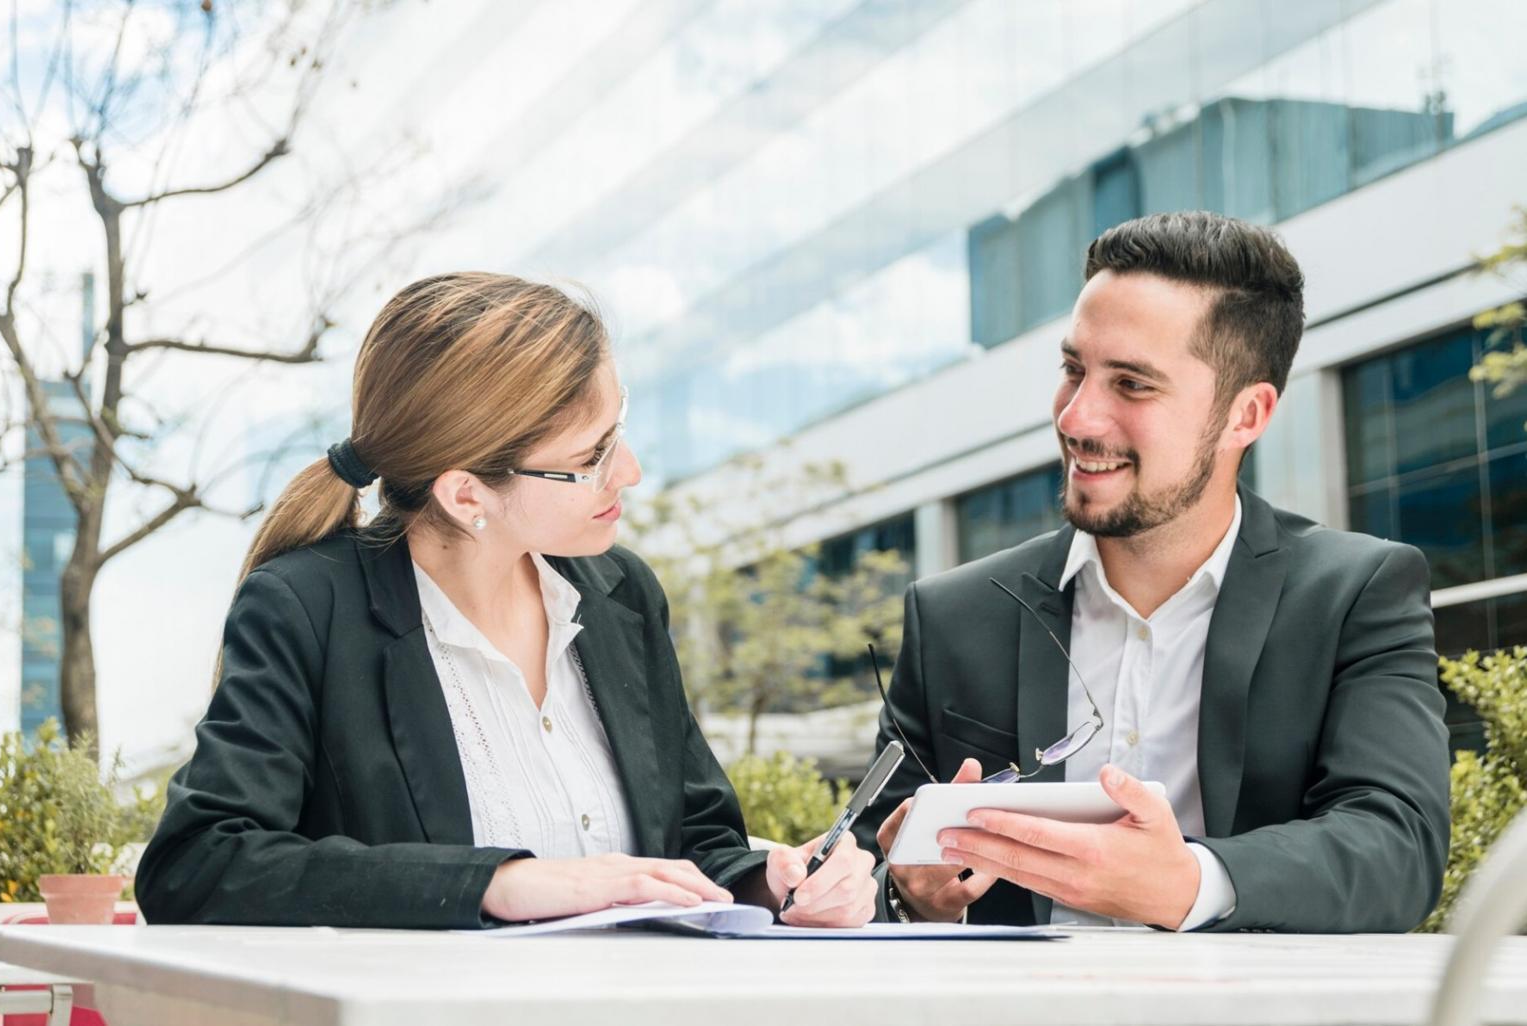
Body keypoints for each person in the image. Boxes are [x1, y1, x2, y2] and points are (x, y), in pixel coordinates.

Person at [136, 273, 876, 929]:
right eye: (590, 456)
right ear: (465, 494)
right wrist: (497, 882)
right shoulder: (307, 607)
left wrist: (770, 881)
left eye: (617, 433)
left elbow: (694, 843)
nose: (632, 471)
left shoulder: (621, 597)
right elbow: (199, 865)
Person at [855, 211, 1450, 933]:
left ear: (1246, 414)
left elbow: (1396, 847)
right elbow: (870, 855)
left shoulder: (1355, 592)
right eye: (1073, 370)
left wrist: (1189, 883)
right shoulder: (953, 614)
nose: (1077, 418)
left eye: (1132, 385)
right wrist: (912, 893)